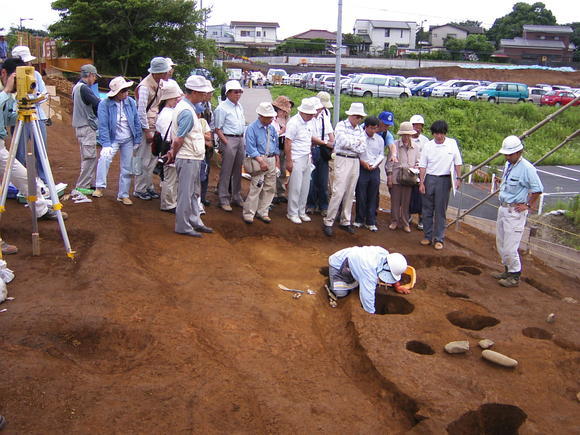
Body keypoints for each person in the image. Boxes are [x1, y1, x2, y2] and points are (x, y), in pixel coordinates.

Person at [0, 58, 66, 256]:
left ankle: (40, 209)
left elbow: (8, 119)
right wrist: (7, 92)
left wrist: (22, 103)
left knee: (25, 177)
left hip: (0, 145)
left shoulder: (7, 95)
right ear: (5, 74)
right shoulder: (3, 91)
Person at [164, 75, 213, 237]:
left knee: (193, 192)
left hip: (192, 156)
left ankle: (194, 221)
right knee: (186, 193)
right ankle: (183, 225)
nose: (204, 96)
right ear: (193, 92)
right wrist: (174, 152)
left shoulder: (187, 107)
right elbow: (179, 139)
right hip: (188, 157)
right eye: (202, 92)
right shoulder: (186, 111)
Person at [494, 136, 543, 287]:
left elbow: (538, 189)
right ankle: (507, 270)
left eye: (510, 154)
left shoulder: (527, 168)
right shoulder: (509, 165)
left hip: (515, 211)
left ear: (518, 152)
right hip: (503, 207)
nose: (507, 157)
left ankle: (515, 274)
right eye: (506, 155)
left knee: (510, 246)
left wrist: (528, 205)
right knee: (501, 243)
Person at [93, 77, 142, 205]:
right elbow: (103, 125)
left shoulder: (130, 102)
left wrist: (137, 139)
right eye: (123, 90)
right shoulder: (104, 104)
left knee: (127, 167)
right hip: (113, 138)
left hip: (128, 139)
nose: (126, 93)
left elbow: (136, 121)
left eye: (126, 90)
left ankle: (123, 194)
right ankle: (99, 186)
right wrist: (106, 144)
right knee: (104, 159)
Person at [322, 102, 367, 236]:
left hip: (354, 160)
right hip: (342, 158)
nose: (358, 119)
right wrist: (356, 143)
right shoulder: (341, 125)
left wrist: (354, 144)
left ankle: (345, 221)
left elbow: (363, 146)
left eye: (360, 117)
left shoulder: (360, 129)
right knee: (338, 190)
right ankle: (328, 221)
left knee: (350, 191)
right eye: (357, 116)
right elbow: (342, 142)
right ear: (351, 115)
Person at [418, 120, 462, 250]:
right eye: (436, 134)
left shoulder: (452, 144)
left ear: (445, 133)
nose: (439, 136)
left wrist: (458, 178)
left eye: (441, 134)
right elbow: (423, 165)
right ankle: (427, 236)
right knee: (427, 209)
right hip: (429, 178)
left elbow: (457, 161)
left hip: (444, 179)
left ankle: (439, 238)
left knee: (440, 211)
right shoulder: (428, 146)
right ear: (433, 134)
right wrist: (421, 182)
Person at [327, 246, 410, 314]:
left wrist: (397, 286)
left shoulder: (385, 255)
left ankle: (356, 280)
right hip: (339, 265)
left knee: (364, 281)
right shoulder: (369, 269)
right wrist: (371, 314)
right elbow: (367, 297)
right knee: (340, 293)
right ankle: (332, 284)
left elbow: (391, 268)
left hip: (356, 264)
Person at [11, 45, 51, 185]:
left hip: (37, 116)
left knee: (41, 150)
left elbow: (44, 94)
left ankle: (45, 181)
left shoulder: (37, 75)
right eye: (25, 61)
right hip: (19, 117)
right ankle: (19, 183)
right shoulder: (11, 77)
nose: (28, 64)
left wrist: (36, 98)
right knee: (19, 152)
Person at [134, 57, 170, 200]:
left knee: (152, 158)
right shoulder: (144, 87)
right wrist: (147, 130)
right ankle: (139, 188)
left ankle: (147, 186)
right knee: (143, 159)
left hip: (154, 124)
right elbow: (141, 110)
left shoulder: (158, 83)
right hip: (146, 127)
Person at [242, 102, 280, 224]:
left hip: (271, 158)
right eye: (268, 117)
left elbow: (276, 146)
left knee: (270, 187)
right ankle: (249, 213)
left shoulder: (271, 128)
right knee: (256, 186)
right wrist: (261, 161)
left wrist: (277, 162)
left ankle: (263, 211)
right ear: (261, 116)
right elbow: (251, 147)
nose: (271, 119)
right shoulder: (252, 128)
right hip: (259, 159)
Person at [214, 80, 246, 212]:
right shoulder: (221, 108)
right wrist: (226, 142)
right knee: (226, 170)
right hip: (228, 138)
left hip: (239, 138)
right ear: (228, 93)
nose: (238, 94)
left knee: (238, 169)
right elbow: (218, 128)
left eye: (240, 92)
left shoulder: (239, 106)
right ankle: (223, 198)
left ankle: (236, 195)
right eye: (235, 92)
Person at [284, 97, 317, 224]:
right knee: (295, 187)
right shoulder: (293, 123)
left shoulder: (308, 123)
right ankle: (292, 212)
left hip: (307, 156)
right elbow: (288, 142)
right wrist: (289, 160)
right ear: (303, 112)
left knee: (305, 186)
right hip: (296, 157)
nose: (311, 116)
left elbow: (308, 141)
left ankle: (301, 211)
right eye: (309, 114)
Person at [71, 64, 101, 194]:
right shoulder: (84, 88)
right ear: (90, 75)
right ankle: (83, 185)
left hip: (80, 126)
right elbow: (98, 103)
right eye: (94, 76)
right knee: (90, 157)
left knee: (86, 156)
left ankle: (87, 183)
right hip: (86, 126)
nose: (94, 79)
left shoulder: (76, 87)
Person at [387, 122, 420, 233]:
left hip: (409, 177)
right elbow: (389, 162)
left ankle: (405, 223)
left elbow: (418, 161)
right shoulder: (394, 145)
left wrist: (416, 167)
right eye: (404, 135)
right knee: (395, 201)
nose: (406, 137)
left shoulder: (416, 147)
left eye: (408, 135)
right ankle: (394, 221)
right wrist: (390, 176)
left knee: (406, 202)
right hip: (397, 176)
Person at [156, 80, 183, 213]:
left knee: (171, 177)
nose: (177, 100)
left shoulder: (166, 112)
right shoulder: (167, 114)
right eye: (175, 98)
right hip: (169, 147)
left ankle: (171, 201)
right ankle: (168, 203)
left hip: (168, 146)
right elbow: (170, 135)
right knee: (170, 177)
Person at [306, 91, 335, 216]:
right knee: (311, 179)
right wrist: (325, 143)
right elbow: (308, 135)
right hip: (311, 148)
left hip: (322, 150)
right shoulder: (307, 116)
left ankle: (323, 205)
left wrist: (332, 145)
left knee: (323, 180)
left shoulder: (325, 115)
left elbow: (330, 132)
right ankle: (311, 204)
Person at [354, 116, 384, 231]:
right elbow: (356, 153)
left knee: (373, 194)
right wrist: (363, 163)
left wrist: (375, 164)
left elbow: (381, 154)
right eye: (371, 128)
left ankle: (371, 221)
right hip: (362, 168)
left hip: (374, 169)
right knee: (361, 194)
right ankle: (359, 219)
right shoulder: (360, 138)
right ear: (365, 127)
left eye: (375, 128)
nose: (373, 131)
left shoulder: (379, 139)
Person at [272, 95, 293, 204]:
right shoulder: (272, 119)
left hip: (284, 146)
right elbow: (271, 133)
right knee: (275, 169)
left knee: (283, 170)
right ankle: (273, 193)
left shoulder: (287, 119)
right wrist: (282, 131)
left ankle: (280, 192)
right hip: (275, 146)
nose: (285, 113)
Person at [409, 114, 429, 230]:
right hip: (409, 172)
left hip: (422, 172)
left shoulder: (425, 140)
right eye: (415, 125)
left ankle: (421, 219)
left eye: (419, 126)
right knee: (409, 195)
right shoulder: (407, 138)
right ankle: (408, 215)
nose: (417, 128)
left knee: (422, 196)